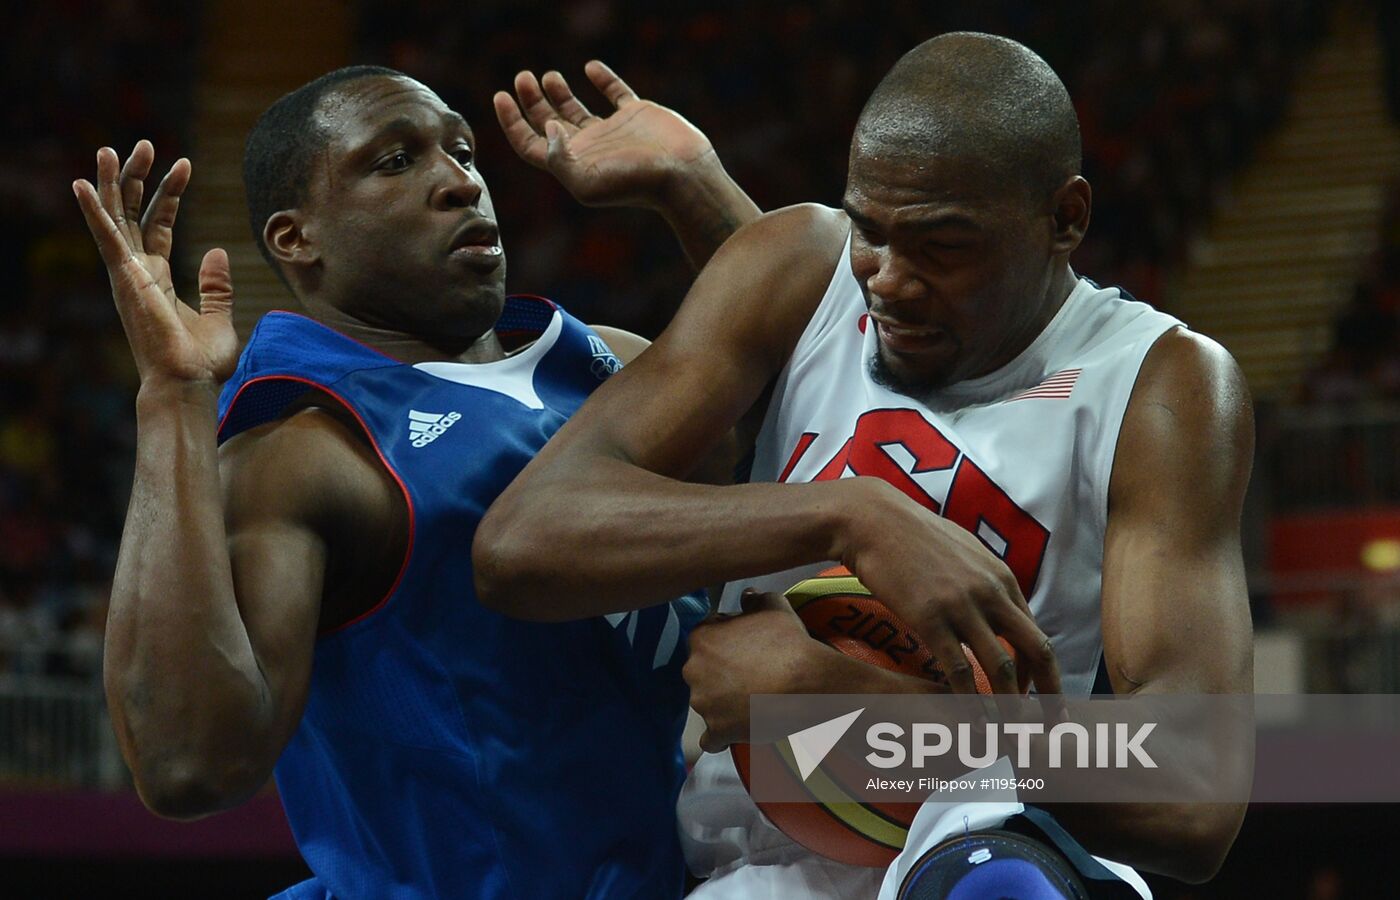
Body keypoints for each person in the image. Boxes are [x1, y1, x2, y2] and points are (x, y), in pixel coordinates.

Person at [474, 32, 1253, 896]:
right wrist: (849, 513)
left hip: (969, 846)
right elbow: (519, 545)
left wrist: (839, 708)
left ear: (1065, 219)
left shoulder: (1159, 384)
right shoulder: (804, 264)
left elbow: (1193, 792)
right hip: (735, 864)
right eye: (871, 232)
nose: (888, 280)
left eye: (942, 247)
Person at [72, 62, 758, 899]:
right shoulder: (307, 453)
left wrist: (692, 183)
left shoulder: (607, 361)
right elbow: (188, 769)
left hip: (709, 869)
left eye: (462, 151)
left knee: (931, 768)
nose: (459, 182)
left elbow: (815, 424)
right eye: (394, 161)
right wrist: (174, 398)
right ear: (298, 238)